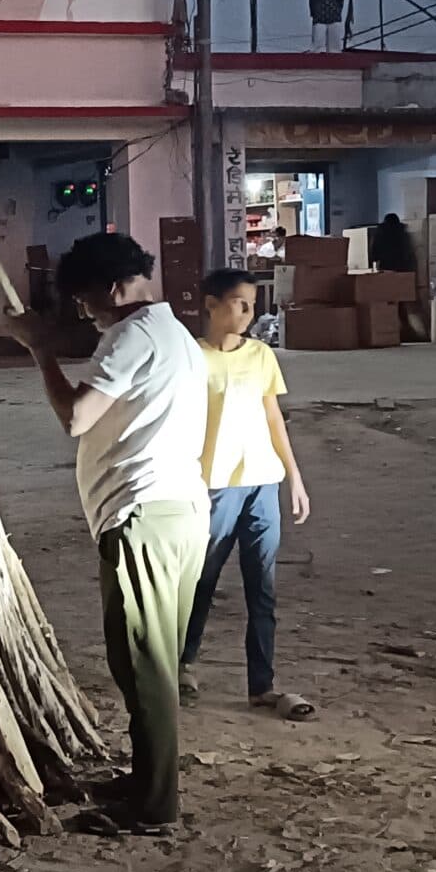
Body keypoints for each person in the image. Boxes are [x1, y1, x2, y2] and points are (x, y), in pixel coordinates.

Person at [0, 232, 210, 833]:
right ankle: (149, 779)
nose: (86, 316)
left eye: (88, 303)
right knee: (153, 661)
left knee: (143, 664)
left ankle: (153, 808)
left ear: (115, 289)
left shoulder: (133, 335)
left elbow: (77, 417)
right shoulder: (175, 335)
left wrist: (41, 350)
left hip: (142, 515)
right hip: (179, 511)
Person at [181, 270, 314, 721]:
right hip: (215, 484)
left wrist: (293, 475)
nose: (246, 313)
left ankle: (263, 684)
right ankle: (184, 662)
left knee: (263, 587)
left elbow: (273, 418)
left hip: (262, 483)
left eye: (251, 305)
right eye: (237, 303)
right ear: (210, 304)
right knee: (203, 579)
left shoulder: (261, 356)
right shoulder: (192, 358)